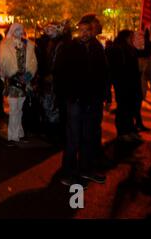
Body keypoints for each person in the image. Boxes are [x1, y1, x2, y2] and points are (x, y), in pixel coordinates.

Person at [54, 14, 109, 186]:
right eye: (82, 30)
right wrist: (65, 96)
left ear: (92, 31)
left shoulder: (97, 47)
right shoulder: (69, 47)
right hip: (75, 100)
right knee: (73, 137)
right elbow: (59, 73)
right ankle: (68, 173)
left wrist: (105, 94)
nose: (85, 33)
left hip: (92, 100)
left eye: (88, 30)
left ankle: (86, 170)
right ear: (78, 31)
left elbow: (104, 73)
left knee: (89, 136)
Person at [0, 23, 37, 144]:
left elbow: (33, 62)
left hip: (24, 81)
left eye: (21, 30)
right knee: (13, 109)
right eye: (17, 30)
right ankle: (12, 136)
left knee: (19, 109)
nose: (19, 32)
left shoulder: (28, 45)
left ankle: (19, 133)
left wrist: (29, 75)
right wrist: (13, 74)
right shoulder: (5, 45)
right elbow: (3, 63)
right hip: (12, 81)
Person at [107, 30, 144, 141]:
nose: (132, 38)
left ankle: (130, 129)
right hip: (123, 84)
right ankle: (122, 132)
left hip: (132, 83)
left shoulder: (129, 48)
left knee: (131, 108)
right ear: (126, 37)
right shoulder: (118, 49)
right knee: (123, 108)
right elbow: (116, 68)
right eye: (131, 36)